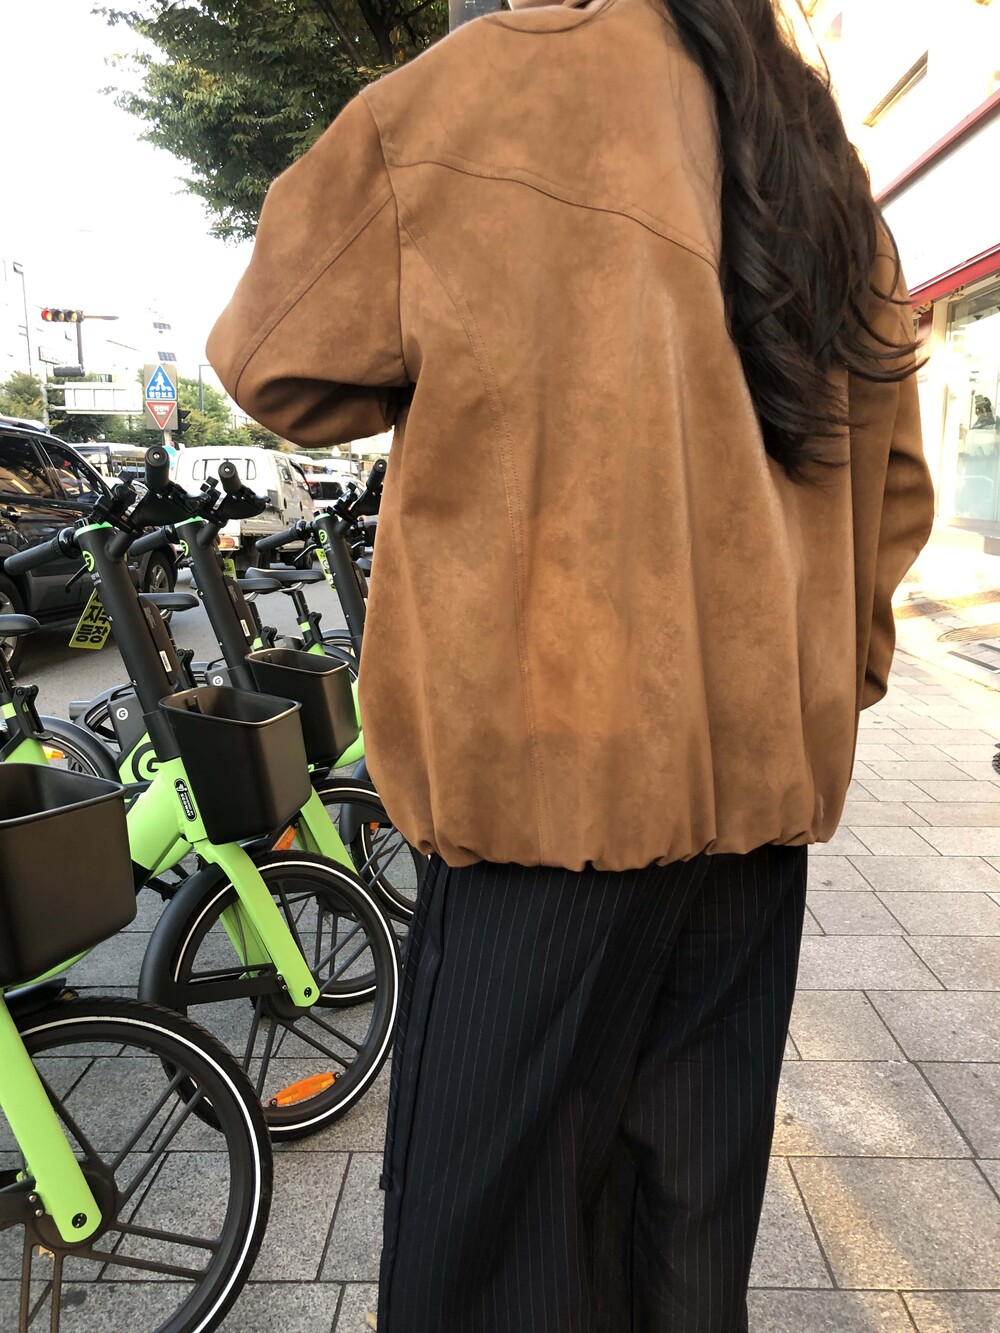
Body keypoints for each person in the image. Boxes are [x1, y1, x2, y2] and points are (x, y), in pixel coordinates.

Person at [207, 0, 936, 1325]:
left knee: (495, 1264)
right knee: (688, 1243)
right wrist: (807, 694)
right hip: (752, 830)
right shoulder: (812, 145)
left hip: (543, 807)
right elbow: (893, 499)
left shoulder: (487, 92)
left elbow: (270, 356)